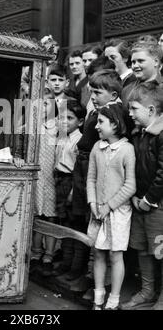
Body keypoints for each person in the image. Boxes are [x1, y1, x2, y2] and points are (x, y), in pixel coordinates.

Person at [59, 70, 122, 285]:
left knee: (92, 223)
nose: (92, 96)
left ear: (113, 95)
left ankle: (90, 276)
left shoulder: (113, 114)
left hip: (94, 170)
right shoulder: (97, 111)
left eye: (97, 92)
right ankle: (75, 267)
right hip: (83, 167)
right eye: (91, 91)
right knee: (78, 218)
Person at [87, 104, 136, 310]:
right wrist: (93, 203)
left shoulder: (127, 150)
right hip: (97, 211)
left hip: (118, 213)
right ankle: (98, 296)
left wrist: (109, 206)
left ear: (115, 124)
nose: (97, 126)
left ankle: (113, 300)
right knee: (98, 252)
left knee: (116, 255)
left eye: (101, 122)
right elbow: (91, 178)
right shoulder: (97, 148)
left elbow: (130, 185)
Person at [122, 82, 163, 310]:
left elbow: (162, 173)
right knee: (142, 247)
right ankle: (147, 291)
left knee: (160, 249)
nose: (130, 113)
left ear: (151, 110)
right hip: (140, 203)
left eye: (134, 108)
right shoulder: (140, 134)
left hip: (157, 206)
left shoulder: (161, 135)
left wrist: (148, 200)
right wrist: (136, 197)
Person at [51, 100, 86, 277]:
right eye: (62, 117)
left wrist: (73, 191)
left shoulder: (80, 140)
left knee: (75, 226)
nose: (64, 121)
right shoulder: (61, 137)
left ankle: (75, 267)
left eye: (70, 118)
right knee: (64, 224)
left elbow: (79, 170)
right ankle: (65, 263)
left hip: (72, 183)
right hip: (60, 182)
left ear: (80, 122)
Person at [29, 88, 59, 273]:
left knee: (51, 215)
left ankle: (49, 253)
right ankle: (35, 251)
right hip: (37, 177)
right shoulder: (31, 126)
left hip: (51, 178)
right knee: (36, 214)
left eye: (46, 104)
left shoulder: (58, 127)